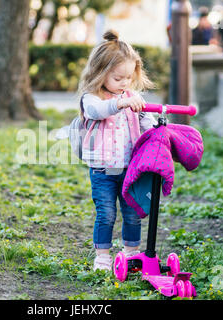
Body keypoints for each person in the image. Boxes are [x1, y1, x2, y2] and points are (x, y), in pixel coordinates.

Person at [77, 29, 158, 271]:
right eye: (118, 78)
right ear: (100, 73)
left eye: (128, 78)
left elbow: (146, 126)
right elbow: (98, 112)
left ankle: (131, 254)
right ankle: (102, 256)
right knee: (106, 213)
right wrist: (120, 103)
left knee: (132, 212)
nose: (124, 84)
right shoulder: (91, 98)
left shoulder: (132, 97)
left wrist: (150, 123)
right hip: (102, 170)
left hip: (130, 168)